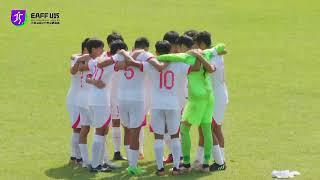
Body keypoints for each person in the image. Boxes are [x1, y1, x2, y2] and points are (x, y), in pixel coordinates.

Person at [66, 38, 89, 165]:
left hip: (84, 98)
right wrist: (79, 59)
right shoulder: (76, 59)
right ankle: (75, 156)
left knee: (83, 128)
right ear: (86, 49)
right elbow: (73, 70)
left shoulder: (93, 60)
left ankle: (77, 156)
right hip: (74, 98)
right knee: (77, 128)